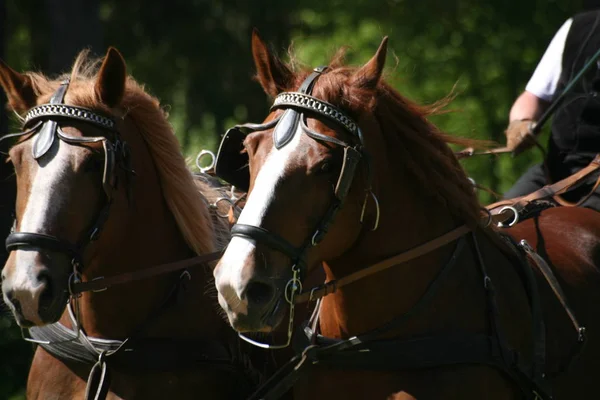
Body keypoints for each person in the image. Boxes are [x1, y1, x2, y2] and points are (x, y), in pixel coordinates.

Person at [504, 10, 600, 210]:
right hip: (555, 170)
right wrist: (520, 123)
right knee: (496, 220)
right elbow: (533, 96)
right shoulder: (577, 27)